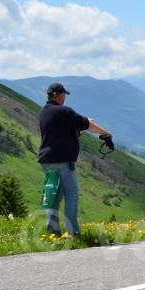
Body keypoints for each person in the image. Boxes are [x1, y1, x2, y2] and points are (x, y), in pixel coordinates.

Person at [38, 83, 111, 237]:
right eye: (64, 94)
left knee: (54, 196)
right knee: (72, 195)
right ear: (59, 95)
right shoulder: (64, 111)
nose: (65, 98)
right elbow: (87, 124)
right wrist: (105, 133)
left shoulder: (44, 111)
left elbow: (59, 131)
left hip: (47, 160)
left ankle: (52, 232)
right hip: (62, 161)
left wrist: (75, 129)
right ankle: (73, 233)